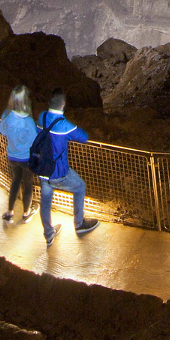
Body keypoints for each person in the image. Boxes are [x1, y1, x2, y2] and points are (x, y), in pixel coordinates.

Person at [36, 88, 99, 245]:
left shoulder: (42, 116)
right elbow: (84, 137)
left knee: (45, 200)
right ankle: (79, 224)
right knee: (80, 187)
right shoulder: (64, 126)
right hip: (58, 173)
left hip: (42, 168)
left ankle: (49, 234)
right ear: (63, 104)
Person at [0, 84, 38, 223]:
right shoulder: (28, 122)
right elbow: (34, 141)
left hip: (12, 155)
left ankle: (9, 212)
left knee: (15, 181)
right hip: (26, 158)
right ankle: (26, 213)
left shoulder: (6, 115)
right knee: (27, 185)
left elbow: (2, 131)